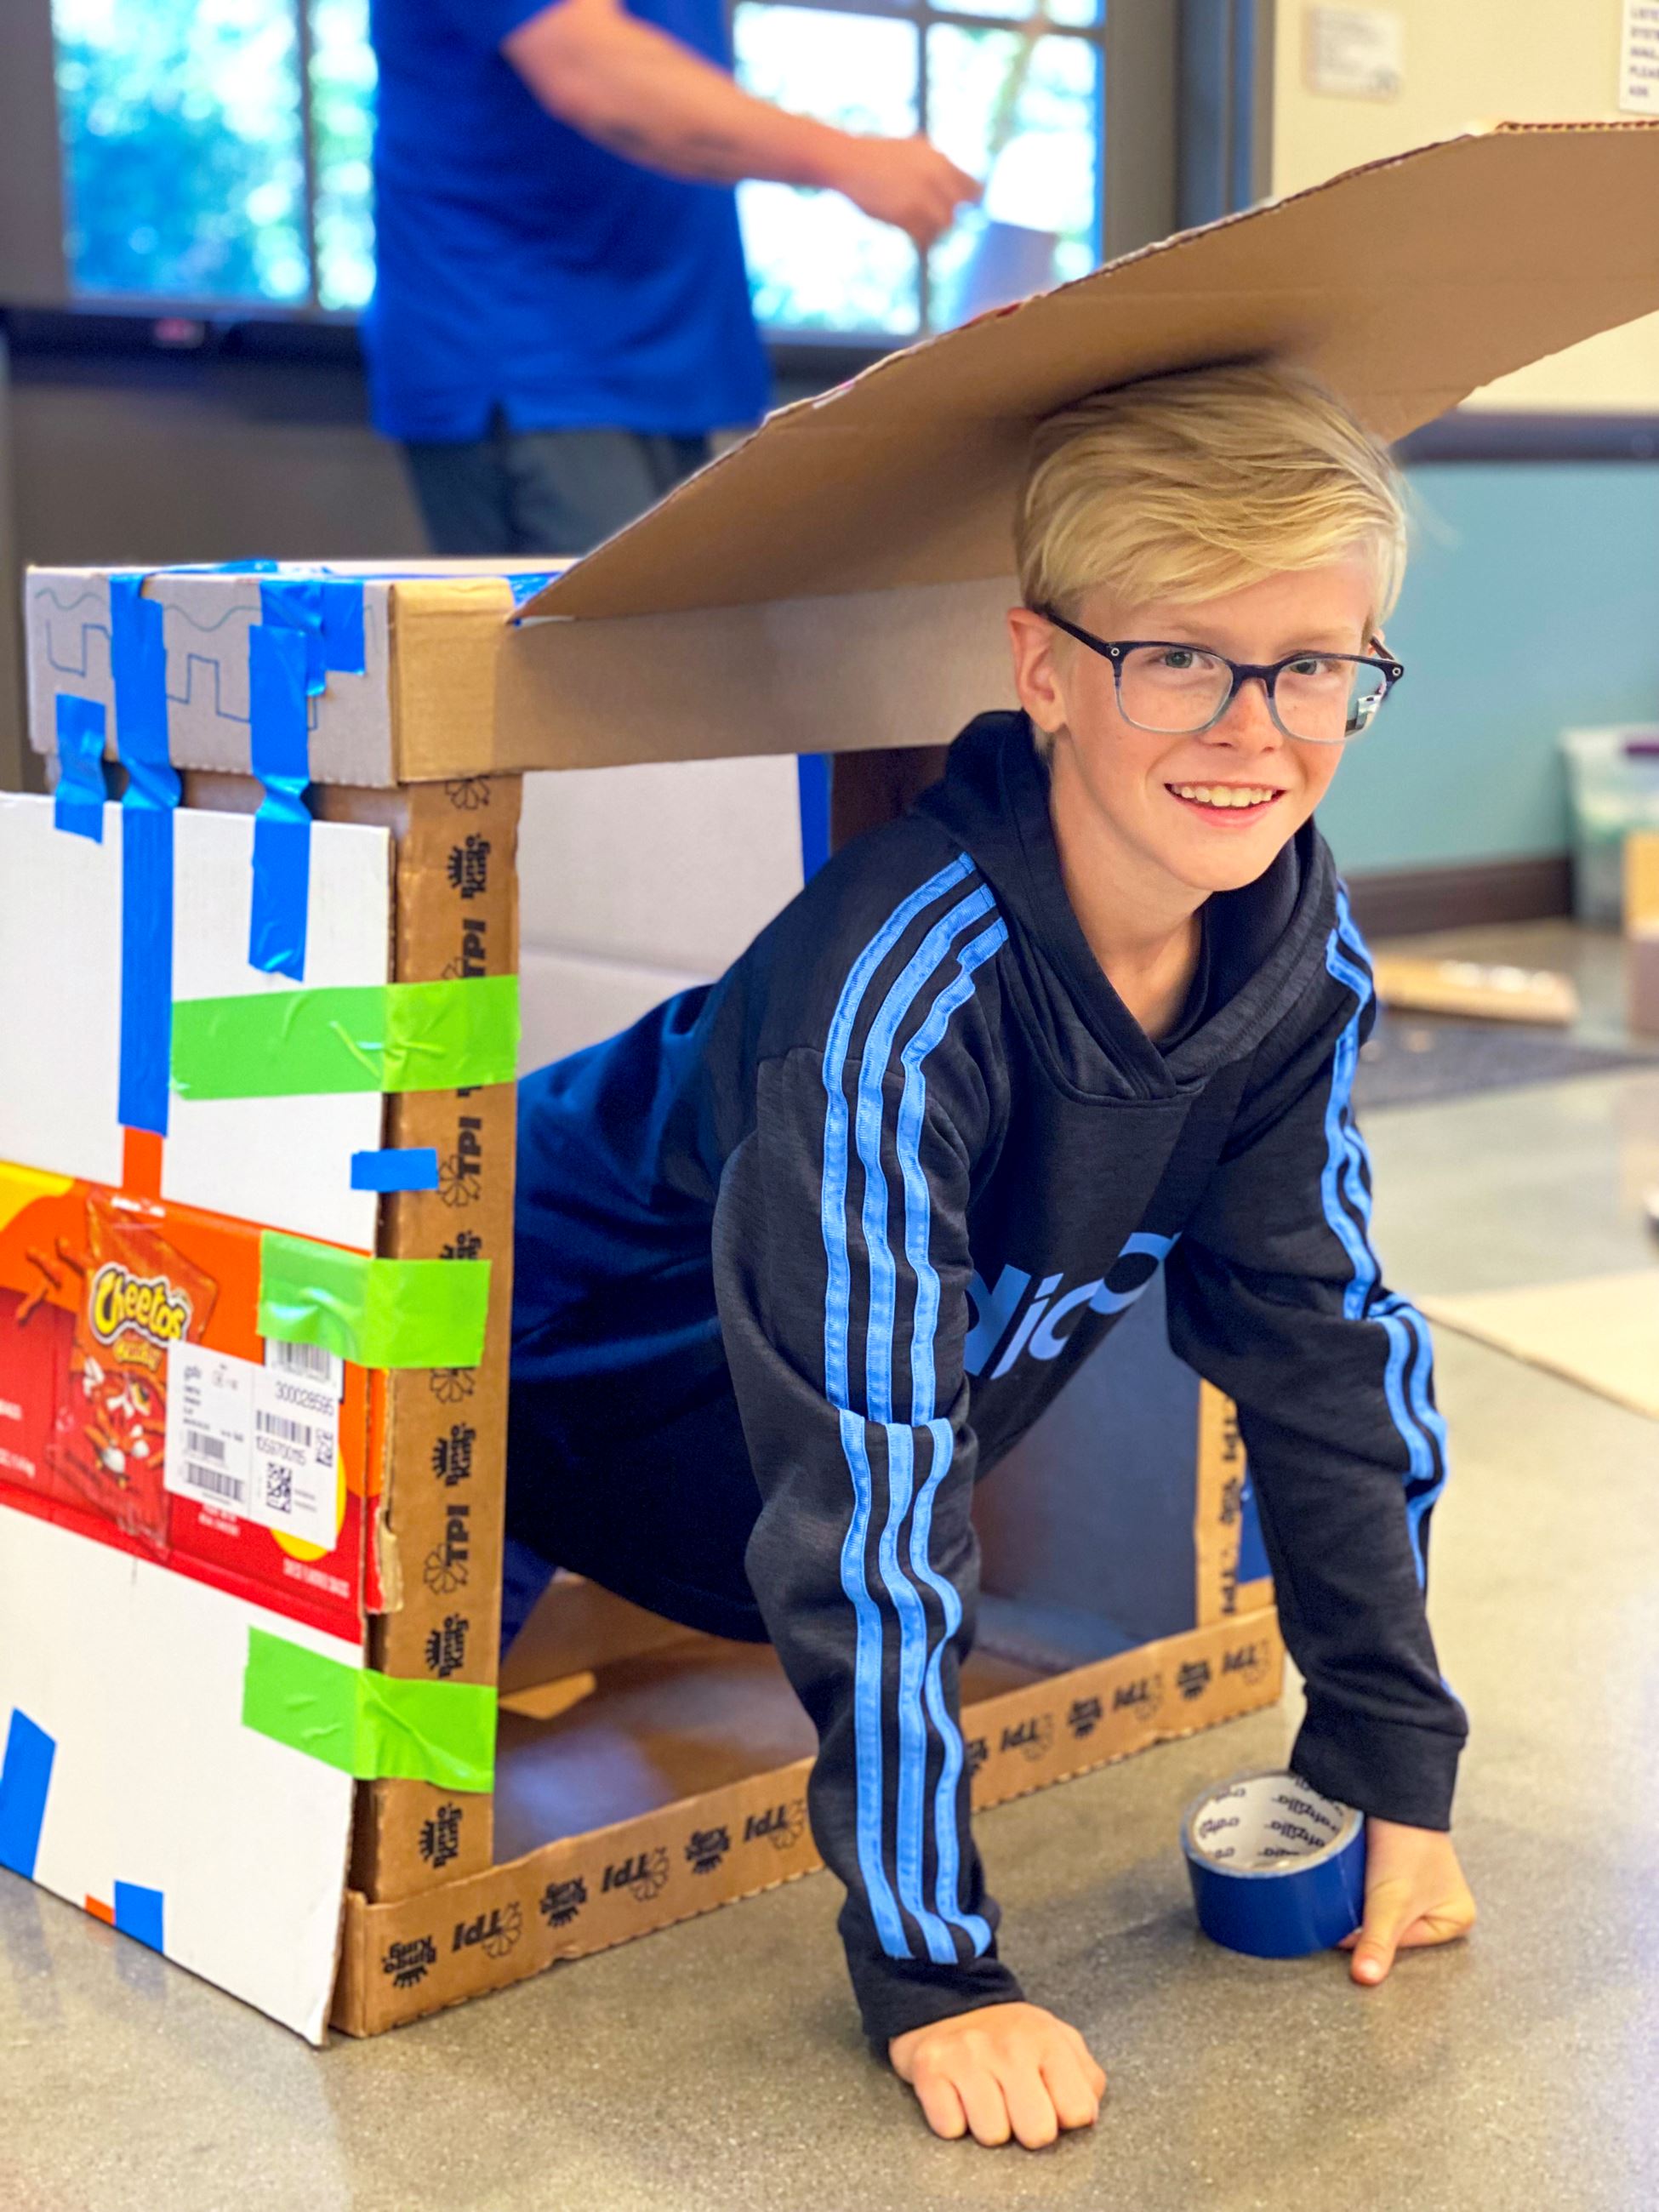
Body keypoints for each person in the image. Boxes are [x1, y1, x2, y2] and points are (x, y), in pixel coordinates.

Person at [505, 362, 1478, 2147]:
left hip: (737, 1483)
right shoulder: (896, 996)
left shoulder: (1284, 958)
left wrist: (1382, 1757)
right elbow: (870, 1477)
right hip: (529, 1402)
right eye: (1181, 655)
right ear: (1044, 670)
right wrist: (938, 1969)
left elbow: (1324, 1348)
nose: (1256, 727)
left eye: (1318, 664)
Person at [365, 0, 980, 556]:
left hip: (664, 364)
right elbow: (587, 67)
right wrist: (850, 158)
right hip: (530, 361)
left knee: (677, 664)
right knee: (597, 671)